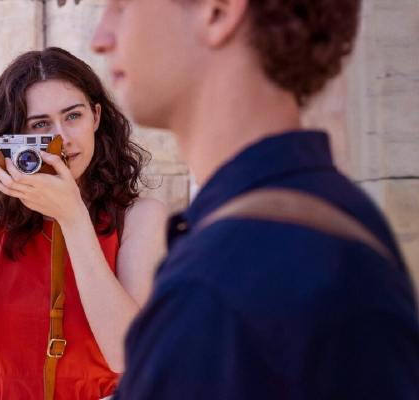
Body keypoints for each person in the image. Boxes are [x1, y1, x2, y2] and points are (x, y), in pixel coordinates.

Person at [90, 0, 419, 398]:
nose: (99, 38)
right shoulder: (344, 214)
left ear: (218, 11)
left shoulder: (221, 284)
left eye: (121, 6)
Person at [0, 47, 167, 399]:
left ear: (96, 117)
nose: (62, 138)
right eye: (40, 125)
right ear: (15, 137)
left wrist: (73, 218)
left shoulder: (137, 218)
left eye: (73, 116)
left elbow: (126, 355)